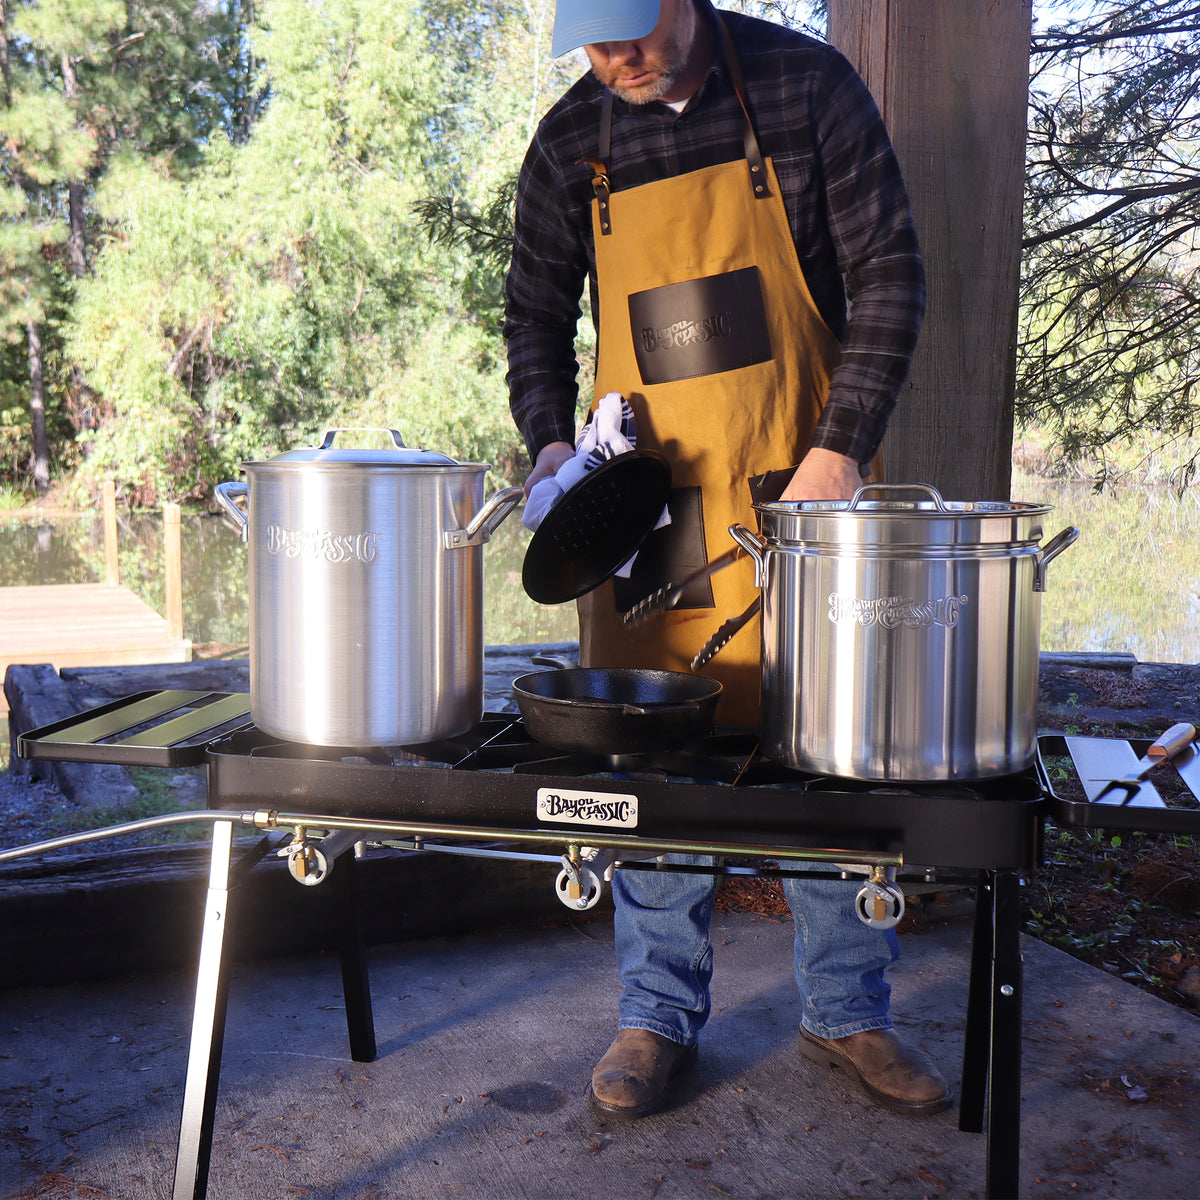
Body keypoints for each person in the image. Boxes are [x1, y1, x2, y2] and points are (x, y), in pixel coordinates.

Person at [504, 0, 951, 1120]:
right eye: (596, 43)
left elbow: (891, 271)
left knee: (833, 751)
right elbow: (533, 310)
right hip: (648, 510)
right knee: (651, 764)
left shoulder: (807, 90)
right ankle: (656, 1013)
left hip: (798, 491)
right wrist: (553, 443)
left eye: (637, 31)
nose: (621, 60)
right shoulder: (571, 139)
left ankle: (848, 1008)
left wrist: (840, 447)